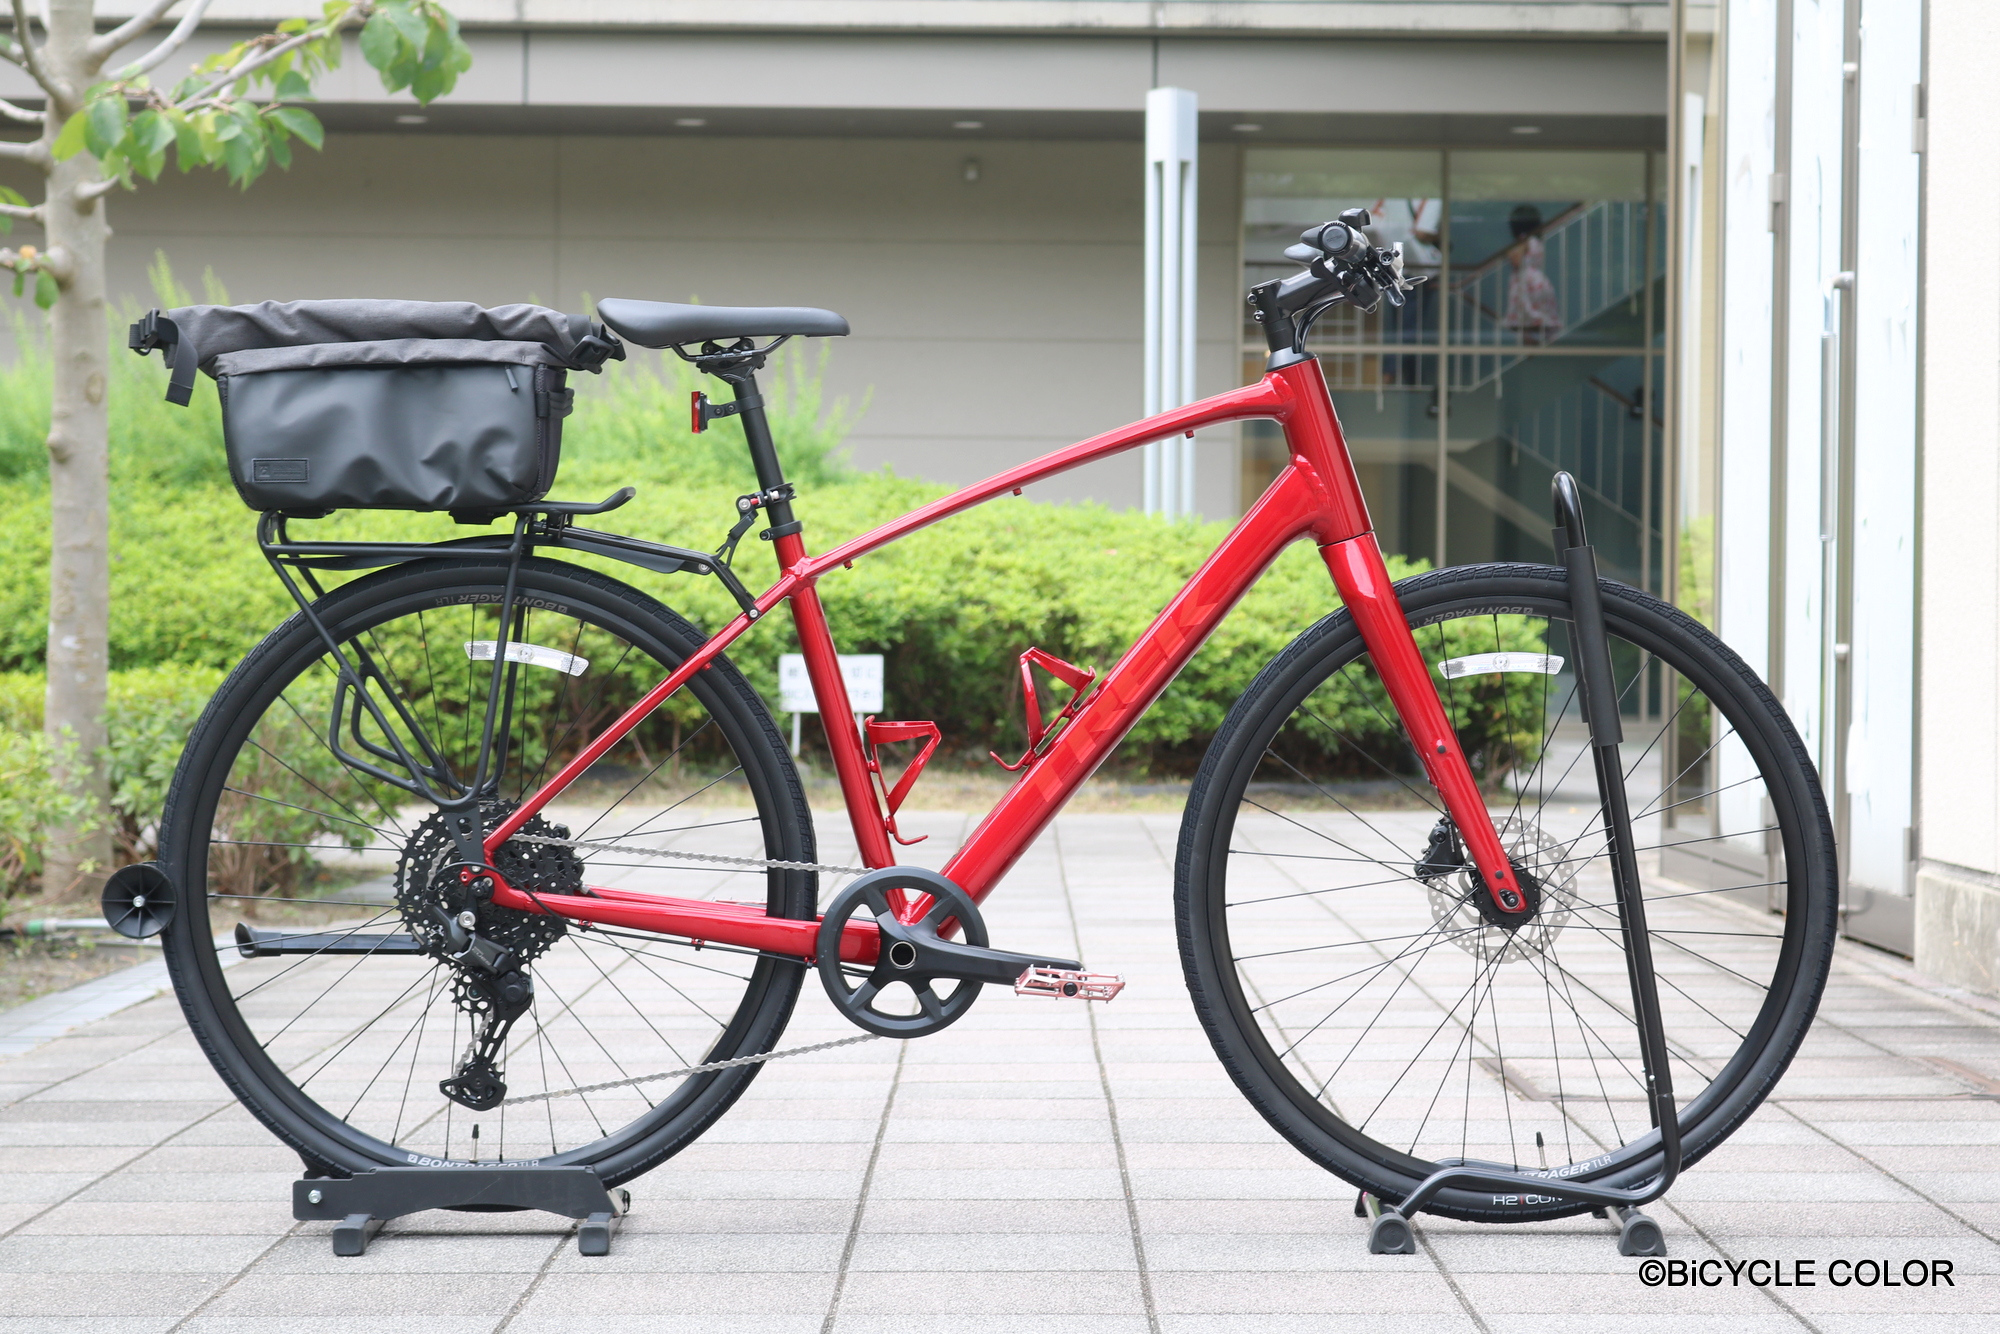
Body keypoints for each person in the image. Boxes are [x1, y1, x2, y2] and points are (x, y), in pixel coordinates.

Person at [1502, 204, 1563, 342]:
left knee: (1526, 318)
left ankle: (1531, 348)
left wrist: (1510, 252)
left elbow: (1516, 260)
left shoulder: (1525, 240)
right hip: (1538, 280)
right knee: (1538, 317)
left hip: (1526, 282)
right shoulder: (1536, 241)